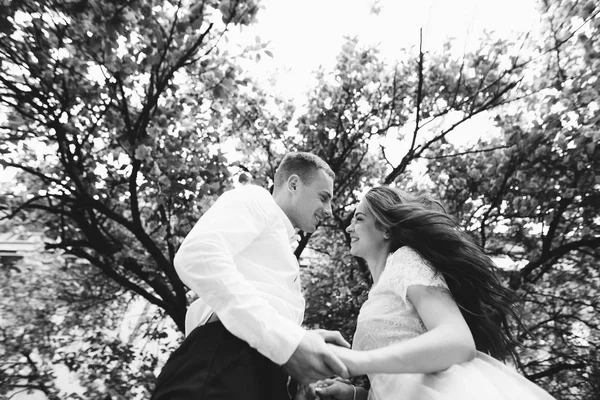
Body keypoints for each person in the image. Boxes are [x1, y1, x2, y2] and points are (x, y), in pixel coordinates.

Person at [311, 186, 555, 400]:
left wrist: (356, 362)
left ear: (386, 230)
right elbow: (393, 384)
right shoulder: (376, 294)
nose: (349, 227)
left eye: (359, 219)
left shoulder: (405, 259)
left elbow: (457, 340)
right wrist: (355, 395)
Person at [151, 152, 351, 400]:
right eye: (323, 197)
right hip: (225, 360)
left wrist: (298, 375)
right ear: (294, 184)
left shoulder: (280, 250)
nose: (329, 211)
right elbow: (199, 254)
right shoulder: (257, 199)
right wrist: (287, 341)